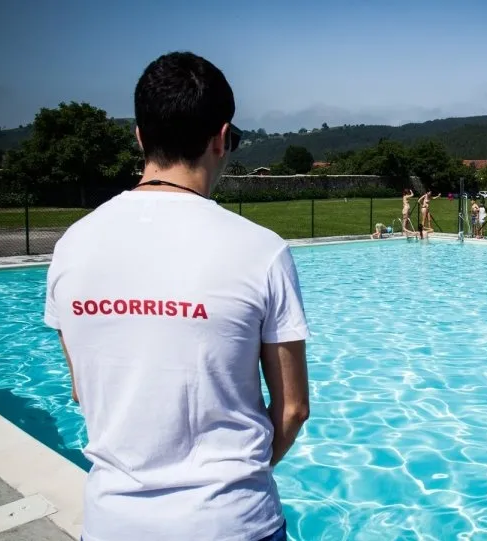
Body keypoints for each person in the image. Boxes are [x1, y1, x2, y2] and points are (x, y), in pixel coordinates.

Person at [43, 52, 309, 541]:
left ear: (140, 135)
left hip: (112, 524)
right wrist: (230, 481)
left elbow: (83, 389)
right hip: (233, 523)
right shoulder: (261, 251)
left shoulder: (71, 247)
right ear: (224, 138)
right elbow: (292, 408)